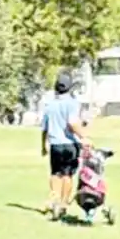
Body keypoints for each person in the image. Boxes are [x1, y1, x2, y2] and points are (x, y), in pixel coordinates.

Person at [41, 72, 92, 220]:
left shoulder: (50, 105)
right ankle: (63, 204)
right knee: (67, 174)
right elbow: (72, 123)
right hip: (70, 144)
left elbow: (45, 128)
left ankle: (54, 199)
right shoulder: (72, 103)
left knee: (55, 173)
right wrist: (84, 137)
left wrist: (43, 145)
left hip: (55, 144)